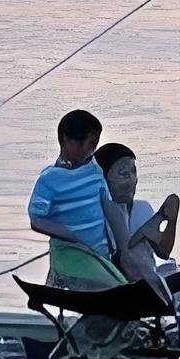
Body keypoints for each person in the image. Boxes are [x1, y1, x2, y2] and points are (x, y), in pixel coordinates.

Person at [27, 109, 118, 290]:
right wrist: (69, 235)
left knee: (116, 283)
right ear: (66, 140)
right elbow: (36, 219)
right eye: (84, 143)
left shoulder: (95, 171)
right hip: (73, 253)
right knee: (113, 288)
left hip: (100, 254)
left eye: (94, 143)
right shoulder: (49, 179)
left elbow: (109, 206)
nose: (90, 149)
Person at [96, 142, 180, 326]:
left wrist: (171, 221)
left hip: (150, 279)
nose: (131, 180)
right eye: (123, 174)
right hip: (125, 287)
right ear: (103, 179)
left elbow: (163, 252)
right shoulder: (97, 216)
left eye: (133, 172)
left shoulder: (142, 208)